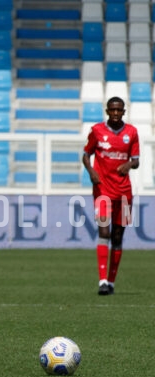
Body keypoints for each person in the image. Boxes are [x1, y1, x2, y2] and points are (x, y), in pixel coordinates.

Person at [83, 96, 139, 296]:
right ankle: (102, 281)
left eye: (119, 110)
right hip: (103, 190)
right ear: (107, 111)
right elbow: (86, 154)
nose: (115, 113)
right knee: (104, 232)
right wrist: (91, 171)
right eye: (112, 110)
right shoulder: (97, 131)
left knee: (117, 236)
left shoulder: (131, 132)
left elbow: (136, 160)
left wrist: (129, 164)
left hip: (124, 192)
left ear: (124, 111)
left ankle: (112, 282)